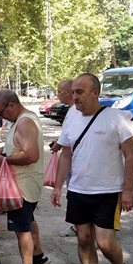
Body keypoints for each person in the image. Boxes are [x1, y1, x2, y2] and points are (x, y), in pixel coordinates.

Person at [50, 73, 133, 264]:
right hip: (78, 190)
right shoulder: (71, 117)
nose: (74, 96)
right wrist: (58, 186)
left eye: (79, 92)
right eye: (73, 92)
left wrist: (128, 190)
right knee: (84, 239)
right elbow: (66, 154)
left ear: (95, 92)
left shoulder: (116, 118)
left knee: (105, 242)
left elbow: (130, 155)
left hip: (109, 191)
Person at [0, 89, 49, 264]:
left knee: (22, 230)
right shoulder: (21, 120)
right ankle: (38, 258)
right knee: (29, 221)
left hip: (20, 187)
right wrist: (0, 151)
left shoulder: (24, 122)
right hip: (26, 185)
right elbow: (18, 146)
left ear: (12, 105)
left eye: (1, 112)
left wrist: (4, 160)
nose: (0, 116)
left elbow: (31, 155)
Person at [50, 79, 82, 237]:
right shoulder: (71, 111)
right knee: (73, 192)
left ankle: (84, 228)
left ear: (69, 92)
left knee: (76, 193)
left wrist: (60, 144)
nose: (57, 94)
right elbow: (68, 135)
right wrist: (59, 143)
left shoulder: (77, 111)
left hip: (77, 162)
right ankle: (78, 226)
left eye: (59, 91)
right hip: (71, 158)